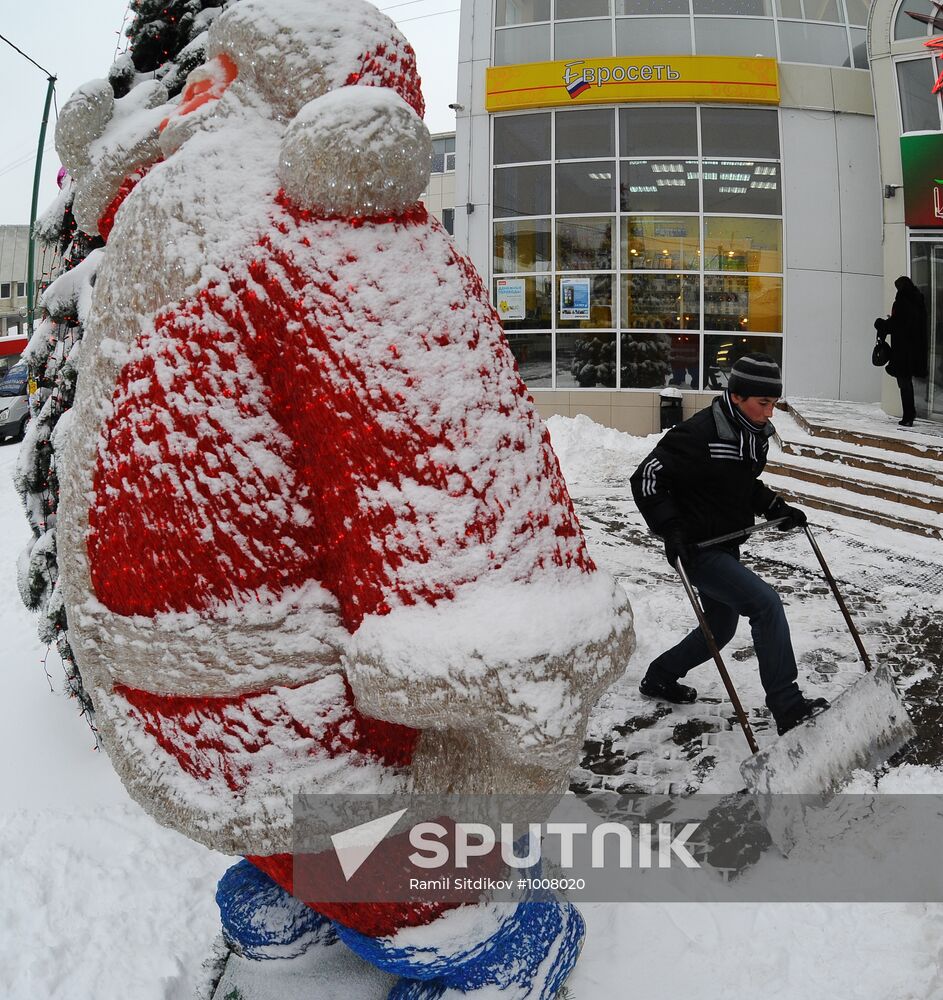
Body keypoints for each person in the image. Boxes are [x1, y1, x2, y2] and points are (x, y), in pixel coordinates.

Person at [630, 353, 828, 736]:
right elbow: (646, 478)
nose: (770, 413)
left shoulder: (750, 434)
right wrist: (671, 528)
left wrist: (774, 507)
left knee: (720, 628)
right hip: (697, 548)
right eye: (763, 403)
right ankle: (787, 706)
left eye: (773, 403)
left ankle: (659, 676)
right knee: (765, 604)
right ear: (736, 396)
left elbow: (739, 483)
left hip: (724, 541)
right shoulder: (699, 433)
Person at [875, 275, 928, 427]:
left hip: (903, 351)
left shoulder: (902, 302)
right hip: (915, 350)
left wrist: (881, 324)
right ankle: (910, 414)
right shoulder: (918, 301)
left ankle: (908, 416)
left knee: (904, 385)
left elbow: (897, 324)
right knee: (907, 384)